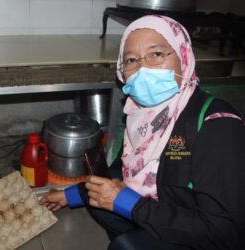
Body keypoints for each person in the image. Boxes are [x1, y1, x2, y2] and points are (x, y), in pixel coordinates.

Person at [40, 15, 245, 250]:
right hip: (155, 211)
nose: (143, 68)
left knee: (124, 245)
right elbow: (120, 172)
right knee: (99, 204)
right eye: (131, 60)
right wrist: (70, 196)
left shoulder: (217, 126)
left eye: (156, 54)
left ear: (183, 57)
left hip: (200, 236)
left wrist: (131, 205)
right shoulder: (140, 115)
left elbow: (226, 233)